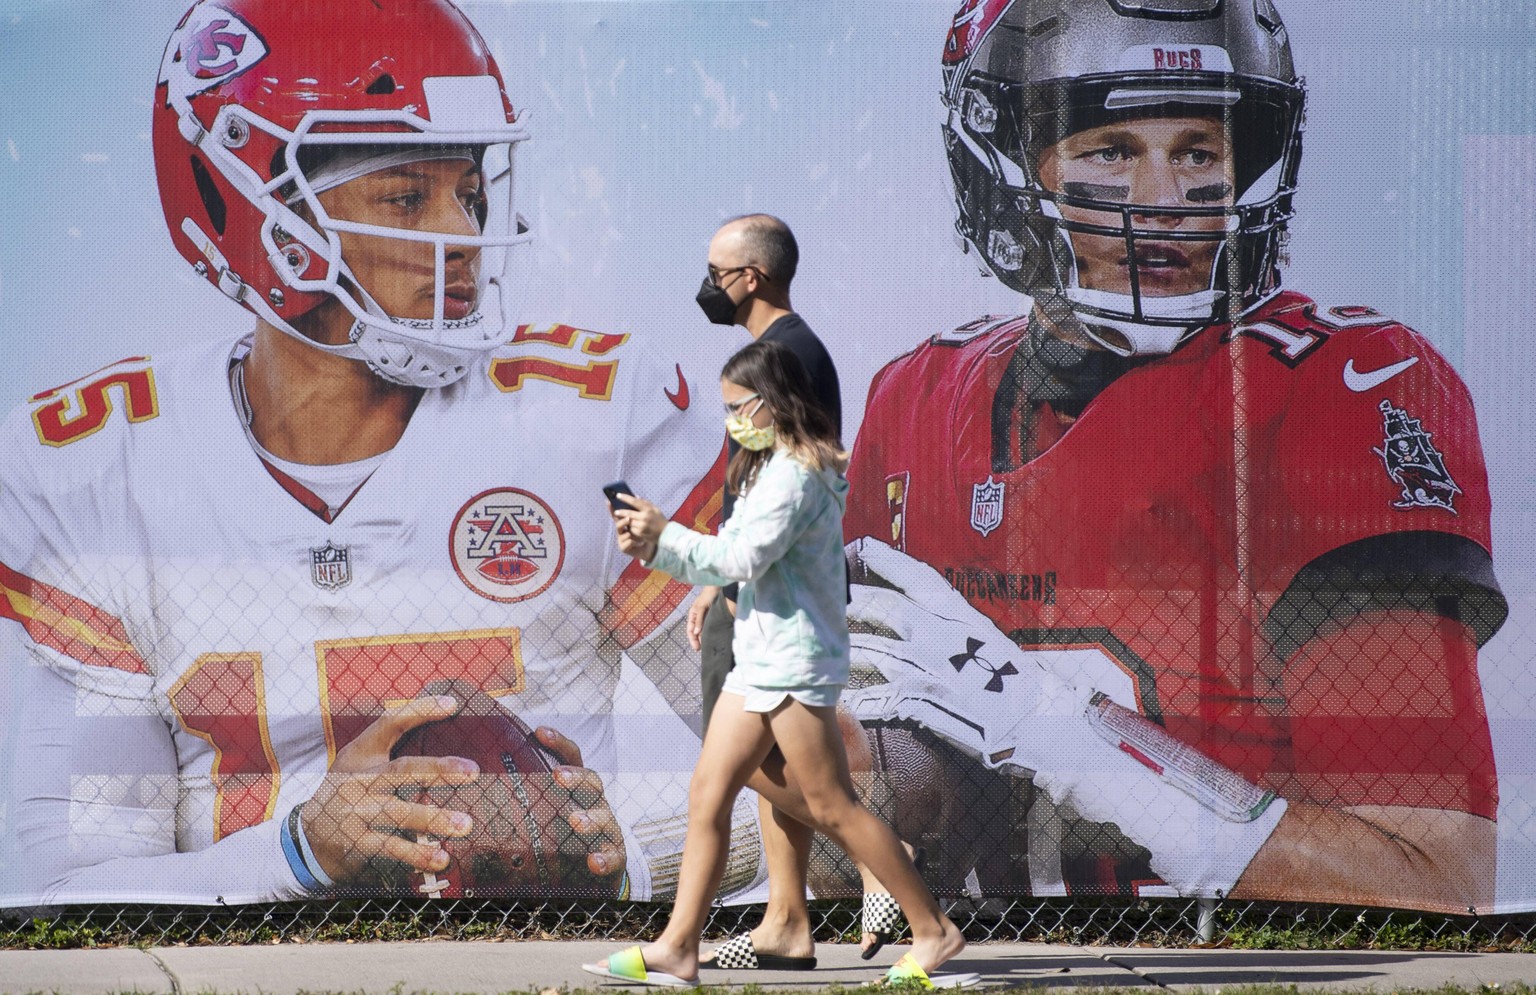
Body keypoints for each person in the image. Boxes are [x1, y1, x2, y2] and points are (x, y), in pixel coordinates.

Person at [0, 0, 759, 907]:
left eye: (469, 193)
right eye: (407, 196)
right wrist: (297, 855)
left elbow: (829, 771)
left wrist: (622, 861)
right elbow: (66, 895)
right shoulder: (94, 469)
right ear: (249, 206)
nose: (463, 236)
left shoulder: (594, 419)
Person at [841, 0, 1507, 915]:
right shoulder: (912, 399)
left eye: (1198, 149)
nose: (1162, 200)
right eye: (1112, 148)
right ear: (1002, 165)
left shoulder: (1333, 390)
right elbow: (885, 777)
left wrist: (1064, 738)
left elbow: (1435, 873)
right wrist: (646, 853)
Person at [586, 340, 974, 989]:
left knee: (832, 806)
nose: (730, 420)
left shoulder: (798, 474)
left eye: (738, 407)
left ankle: (934, 930)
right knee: (708, 793)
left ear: (773, 405)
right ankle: (678, 947)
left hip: (795, 663)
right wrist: (659, 547)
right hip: (759, 661)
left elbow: (740, 556)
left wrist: (661, 538)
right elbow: (729, 561)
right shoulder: (772, 469)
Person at [689, 216, 900, 967]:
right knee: (765, 753)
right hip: (760, 580)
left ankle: (876, 854)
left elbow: (781, 490)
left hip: (764, 589)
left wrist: (723, 580)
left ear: (751, 276)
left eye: (716, 272)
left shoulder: (785, 355)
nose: (707, 286)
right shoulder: (788, 350)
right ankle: (786, 921)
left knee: (733, 754)